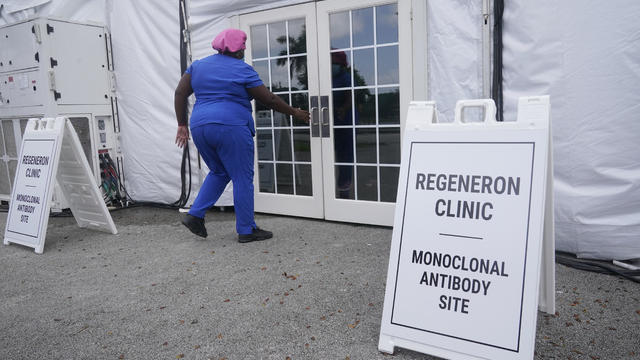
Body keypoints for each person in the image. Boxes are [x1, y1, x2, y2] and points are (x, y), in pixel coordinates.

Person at [174, 28, 309, 243]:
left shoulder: (198, 66)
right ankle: (246, 230)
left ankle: (195, 215)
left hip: (200, 126)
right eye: (243, 47)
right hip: (231, 126)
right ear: (238, 50)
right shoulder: (243, 70)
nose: (244, 51)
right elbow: (270, 100)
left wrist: (182, 124)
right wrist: (295, 112)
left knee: (219, 171)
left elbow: (180, 92)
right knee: (242, 177)